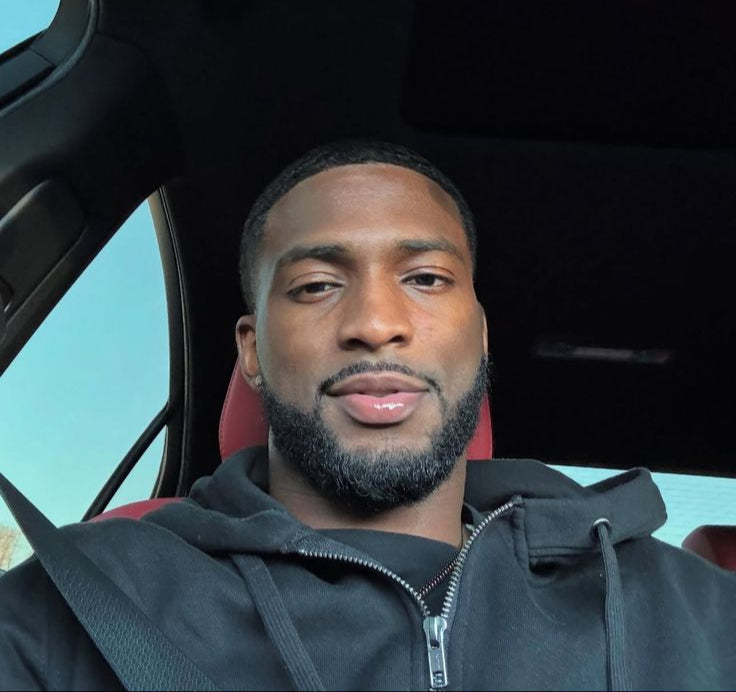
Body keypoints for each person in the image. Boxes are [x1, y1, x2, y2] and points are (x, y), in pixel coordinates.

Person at [1, 140, 735, 691]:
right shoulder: (79, 608)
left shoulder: (689, 613)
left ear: (480, 338)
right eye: (317, 285)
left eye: (426, 278)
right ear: (252, 352)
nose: (377, 323)